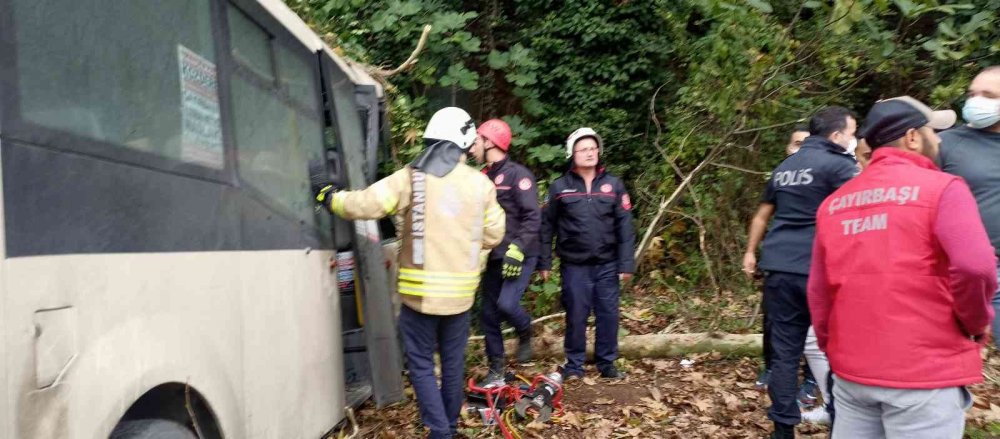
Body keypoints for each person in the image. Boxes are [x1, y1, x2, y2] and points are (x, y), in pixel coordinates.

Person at [811, 96, 996, 438]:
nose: (939, 140)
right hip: (923, 373)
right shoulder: (944, 189)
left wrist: (833, 347)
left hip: (852, 373)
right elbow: (976, 267)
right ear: (912, 137)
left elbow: (819, 293)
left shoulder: (834, 204)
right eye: (932, 132)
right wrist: (974, 322)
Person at [316, 107, 505, 439]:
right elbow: (494, 234)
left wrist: (329, 198)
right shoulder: (480, 184)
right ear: (463, 143)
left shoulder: (411, 177)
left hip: (419, 298)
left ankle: (441, 432)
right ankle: (448, 426)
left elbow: (366, 204)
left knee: (419, 366)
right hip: (460, 299)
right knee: (452, 365)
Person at [742, 107, 859, 438]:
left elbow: (763, 214)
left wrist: (751, 251)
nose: (854, 140)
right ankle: (842, 419)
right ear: (836, 136)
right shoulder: (840, 166)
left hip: (779, 266)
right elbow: (860, 211)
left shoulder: (784, 167)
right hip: (818, 270)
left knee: (783, 353)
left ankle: (782, 428)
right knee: (836, 348)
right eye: (851, 133)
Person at [539, 127, 636, 381]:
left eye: (593, 148)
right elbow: (546, 226)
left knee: (608, 313)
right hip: (574, 265)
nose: (590, 153)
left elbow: (625, 226)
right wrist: (544, 261)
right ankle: (574, 366)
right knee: (576, 315)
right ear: (572, 154)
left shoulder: (613, 185)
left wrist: (626, 263)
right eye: (583, 149)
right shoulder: (560, 187)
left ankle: (607, 363)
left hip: (607, 264)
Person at [470, 118, 541, 386]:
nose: (472, 146)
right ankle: (496, 368)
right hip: (494, 256)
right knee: (487, 315)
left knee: (507, 305)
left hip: (520, 254)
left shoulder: (518, 176)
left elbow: (532, 217)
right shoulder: (480, 178)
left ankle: (525, 332)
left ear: (490, 142)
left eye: (477, 140)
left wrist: (518, 248)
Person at [938, 66, 1000, 348]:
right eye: (972, 93)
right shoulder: (946, 143)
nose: (975, 101)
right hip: (971, 270)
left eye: (988, 95)